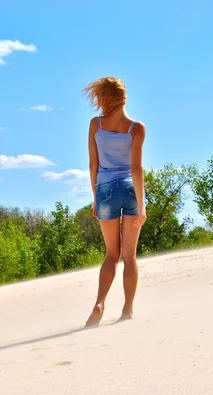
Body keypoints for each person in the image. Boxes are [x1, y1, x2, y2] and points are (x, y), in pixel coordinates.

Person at [83, 77, 147, 327]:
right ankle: (127, 310)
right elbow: (136, 168)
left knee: (111, 254)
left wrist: (96, 197)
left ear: (104, 97)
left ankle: (99, 304)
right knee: (129, 256)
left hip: (105, 189)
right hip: (130, 190)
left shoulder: (95, 125)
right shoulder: (136, 128)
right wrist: (141, 204)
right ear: (123, 97)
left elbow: (93, 165)